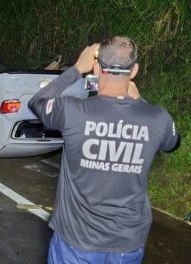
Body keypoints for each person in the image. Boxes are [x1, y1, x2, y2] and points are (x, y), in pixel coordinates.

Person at [28, 36, 181, 263]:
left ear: (97, 69)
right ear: (135, 70)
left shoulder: (72, 111)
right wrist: (141, 101)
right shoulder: (157, 118)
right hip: (126, 243)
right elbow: (173, 142)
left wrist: (77, 69)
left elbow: (38, 102)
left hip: (76, 242)